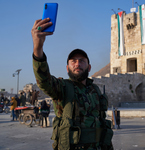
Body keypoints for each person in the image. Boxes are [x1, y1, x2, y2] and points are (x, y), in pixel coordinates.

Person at [31, 18, 113, 150]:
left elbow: (102, 122)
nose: (77, 64)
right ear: (67, 68)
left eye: (82, 61)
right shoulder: (62, 88)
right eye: (73, 61)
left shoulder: (96, 90)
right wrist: (38, 47)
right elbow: (44, 80)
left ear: (89, 67)